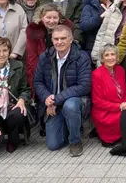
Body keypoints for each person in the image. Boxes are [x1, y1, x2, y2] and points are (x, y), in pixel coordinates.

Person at [33, 25, 92, 156]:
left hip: (74, 101)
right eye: (56, 39)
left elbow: (84, 86)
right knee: (53, 145)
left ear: (71, 39)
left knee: (70, 106)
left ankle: (75, 141)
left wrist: (56, 99)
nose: (59, 42)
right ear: (52, 40)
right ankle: (70, 125)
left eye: (63, 38)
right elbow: (37, 82)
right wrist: (46, 97)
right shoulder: (45, 57)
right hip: (52, 103)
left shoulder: (82, 57)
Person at [91, 44, 126, 147]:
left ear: (117, 56)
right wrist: (119, 107)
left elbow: (125, 92)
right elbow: (97, 101)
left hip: (121, 107)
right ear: (102, 58)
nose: (110, 58)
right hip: (105, 112)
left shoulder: (120, 70)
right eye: (106, 55)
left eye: (113, 54)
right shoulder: (97, 74)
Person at [25, 3, 74, 91]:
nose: (51, 21)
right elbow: (32, 55)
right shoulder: (33, 29)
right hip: (39, 66)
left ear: (59, 18)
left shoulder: (66, 29)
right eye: (48, 17)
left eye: (55, 18)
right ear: (42, 17)